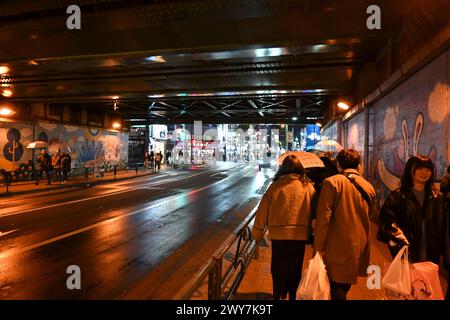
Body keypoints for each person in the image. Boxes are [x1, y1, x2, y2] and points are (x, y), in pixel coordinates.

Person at [377, 156, 449, 300]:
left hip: (431, 257)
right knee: (409, 292)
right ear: (411, 171)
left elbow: (445, 228)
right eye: (420, 168)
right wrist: (403, 243)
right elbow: (386, 223)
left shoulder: (437, 198)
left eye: (428, 169)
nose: (424, 172)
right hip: (408, 255)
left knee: (427, 291)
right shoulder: (398, 197)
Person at [252, 155, 318, 300]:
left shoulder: (275, 187)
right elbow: (315, 211)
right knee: (295, 268)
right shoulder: (307, 186)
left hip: (278, 236)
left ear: (283, 169)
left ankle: (278, 294)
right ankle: (292, 295)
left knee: (278, 268)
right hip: (299, 236)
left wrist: (257, 233)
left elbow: (263, 210)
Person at [313, 149, 376, 300]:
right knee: (343, 286)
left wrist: (317, 249)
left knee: (336, 288)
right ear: (359, 165)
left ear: (338, 164)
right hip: (361, 245)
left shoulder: (332, 182)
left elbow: (323, 219)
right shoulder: (368, 186)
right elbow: (369, 216)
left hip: (338, 246)